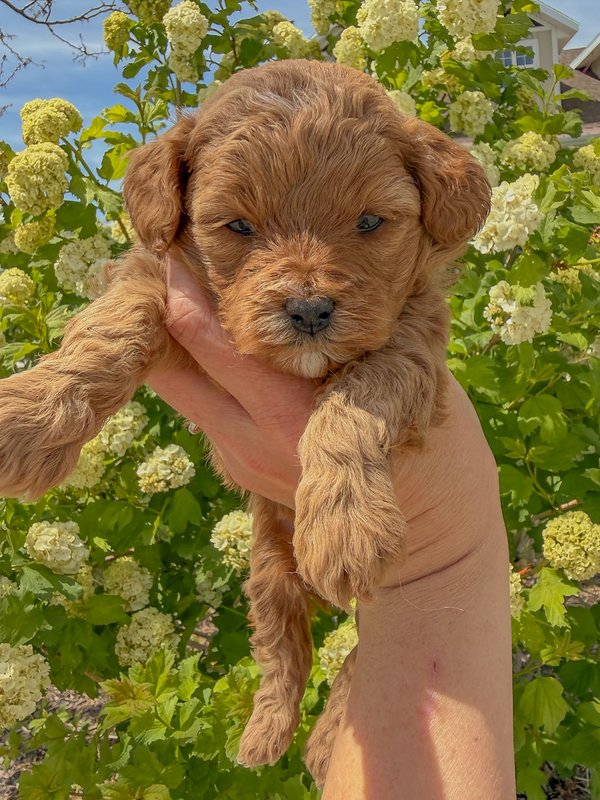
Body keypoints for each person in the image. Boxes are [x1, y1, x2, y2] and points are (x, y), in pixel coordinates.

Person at [148, 255, 516, 799]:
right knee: (276, 588)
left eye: (366, 225)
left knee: (364, 581)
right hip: (277, 511)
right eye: (244, 228)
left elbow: (406, 361)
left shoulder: (400, 298)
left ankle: (345, 701)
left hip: (389, 487)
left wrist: (443, 536)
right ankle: (280, 688)